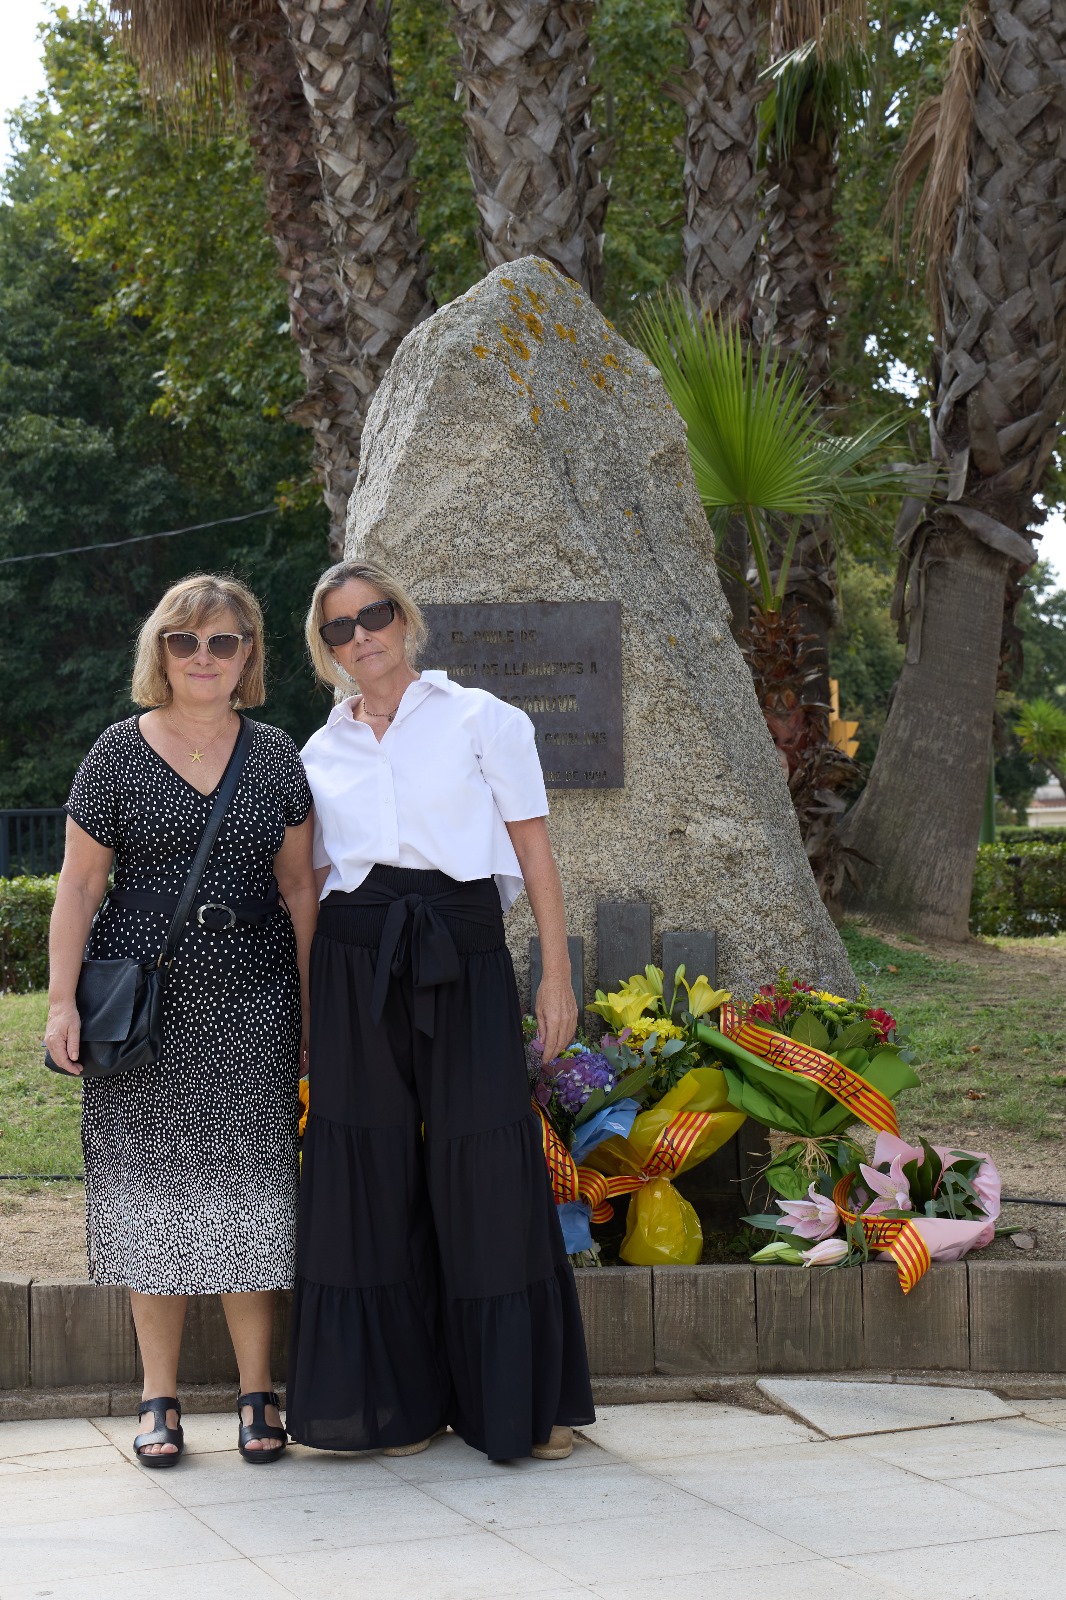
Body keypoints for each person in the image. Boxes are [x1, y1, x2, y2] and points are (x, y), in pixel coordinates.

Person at [287, 559, 594, 1463]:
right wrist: (312, 1006)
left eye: (372, 614)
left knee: (485, 1159)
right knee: (364, 1170)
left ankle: (517, 1407)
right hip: (354, 962)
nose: (360, 637)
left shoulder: (484, 720)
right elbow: (307, 885)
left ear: (404, 617)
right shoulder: (318, 750)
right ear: (326, 649)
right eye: (338, 628)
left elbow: (534, 853)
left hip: (461, 948)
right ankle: (387, 1407)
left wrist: (554, 976)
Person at [44, 574, 317, 1468]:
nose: (203, 657)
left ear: (250, 656)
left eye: (223, 642)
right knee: (151, 1200)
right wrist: (58, 1001)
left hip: (254, 995)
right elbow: (81, 886)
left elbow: (297, 887)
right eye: (184, 641)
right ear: (158, 653)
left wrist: (315, 1006)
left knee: (253, 1194)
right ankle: (157, 1398)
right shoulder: (117, 752)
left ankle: (255, 1394)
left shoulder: (276, 755)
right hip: (142, 1003)